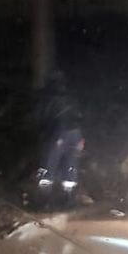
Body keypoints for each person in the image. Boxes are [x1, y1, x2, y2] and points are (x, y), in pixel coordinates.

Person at [34, 72, 85, 208]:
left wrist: (41, 131)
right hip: (75, 133)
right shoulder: (72, 97)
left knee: (48, 165)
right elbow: (80, 116)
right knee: (71, 165)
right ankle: (69, 199)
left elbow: (42, 117)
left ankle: (45, 201)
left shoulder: (48, 98)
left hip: (58, 132)